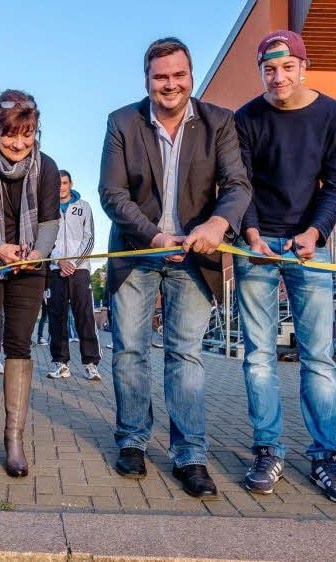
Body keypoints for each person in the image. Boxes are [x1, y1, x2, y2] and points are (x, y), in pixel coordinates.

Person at [98, 37, 251, 498]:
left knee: (185, 355)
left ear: (191, 75)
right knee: (130, 352)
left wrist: (219, 223)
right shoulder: (122, 122)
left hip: (196, 258)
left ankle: (190, 455)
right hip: (137, 251)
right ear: (147, 80)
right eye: (160, 76)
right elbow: (113, 195)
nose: (170, 84)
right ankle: (132, 442)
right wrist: (155, 237)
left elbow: (238, 184)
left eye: (178, 75)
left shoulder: (220, 122)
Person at [233, 30, 336, 504]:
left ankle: (326, 455)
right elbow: (239, 183)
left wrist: (315, 233)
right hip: (258, 245)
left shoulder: (333, 114)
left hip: (309, 247)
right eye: (269, 68)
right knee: (259, 355)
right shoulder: (246, 118)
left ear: (304, 66)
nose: (278, 76)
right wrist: (251, 234)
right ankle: (268, 449)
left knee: (318, 356)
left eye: (287, 67)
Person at [0, 90, 60, 479]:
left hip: (30, 267)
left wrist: (38, 252)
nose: (19, 142)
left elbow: (50, 221)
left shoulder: (47, 167)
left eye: (28, 133)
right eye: (9, 134)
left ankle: (14, 439)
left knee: (19, 343)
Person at [46, 169, 101, 381]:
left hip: (79, 270)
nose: (61, 187)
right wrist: (58, 261)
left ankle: (91, 363)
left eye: (65, 183)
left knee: (84, 316)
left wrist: (74, 263)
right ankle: (61, 364)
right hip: (55, 269)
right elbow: (43, 239)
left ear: (71, 184)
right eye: (57, 183)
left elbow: (90, 239)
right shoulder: (47, 208)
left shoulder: (84, 207)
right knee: (57, 317)